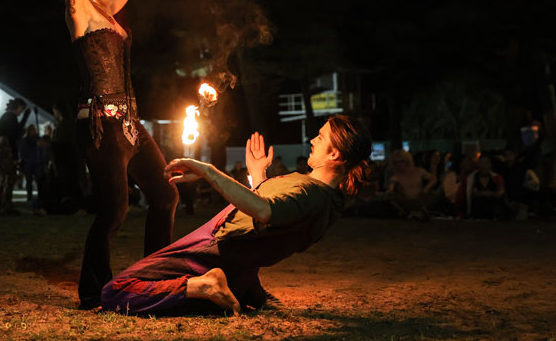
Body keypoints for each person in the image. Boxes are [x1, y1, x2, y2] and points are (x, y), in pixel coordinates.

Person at [100, 115, 372, 315]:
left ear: (334, 153)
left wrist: (208, 170)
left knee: (116, 291)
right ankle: (244, 291)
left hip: (216, 245)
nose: (313, 139)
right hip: (236, 260)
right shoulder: (320, 197)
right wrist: (258, 176)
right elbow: (268, 218)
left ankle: (204, 286)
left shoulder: (312, 194)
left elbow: (264, 211)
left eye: (321, 137)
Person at [56, 0, 178, 309]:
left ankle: (155, 275)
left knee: (165, 195)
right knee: (114, 214)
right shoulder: (79, 11)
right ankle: (93, 292)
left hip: (130, 123)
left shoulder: (108, 8)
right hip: (100, 126)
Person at [0, 98, 31, 214]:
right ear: (18, 107)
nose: (21, 112)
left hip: (3, 152)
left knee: (4, 178)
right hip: (7, 153)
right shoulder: (11, 117)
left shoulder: (5, 117)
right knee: (9, 179)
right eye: (22, 109)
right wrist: (15, 156)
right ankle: (6, 206)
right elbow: (15, 135)